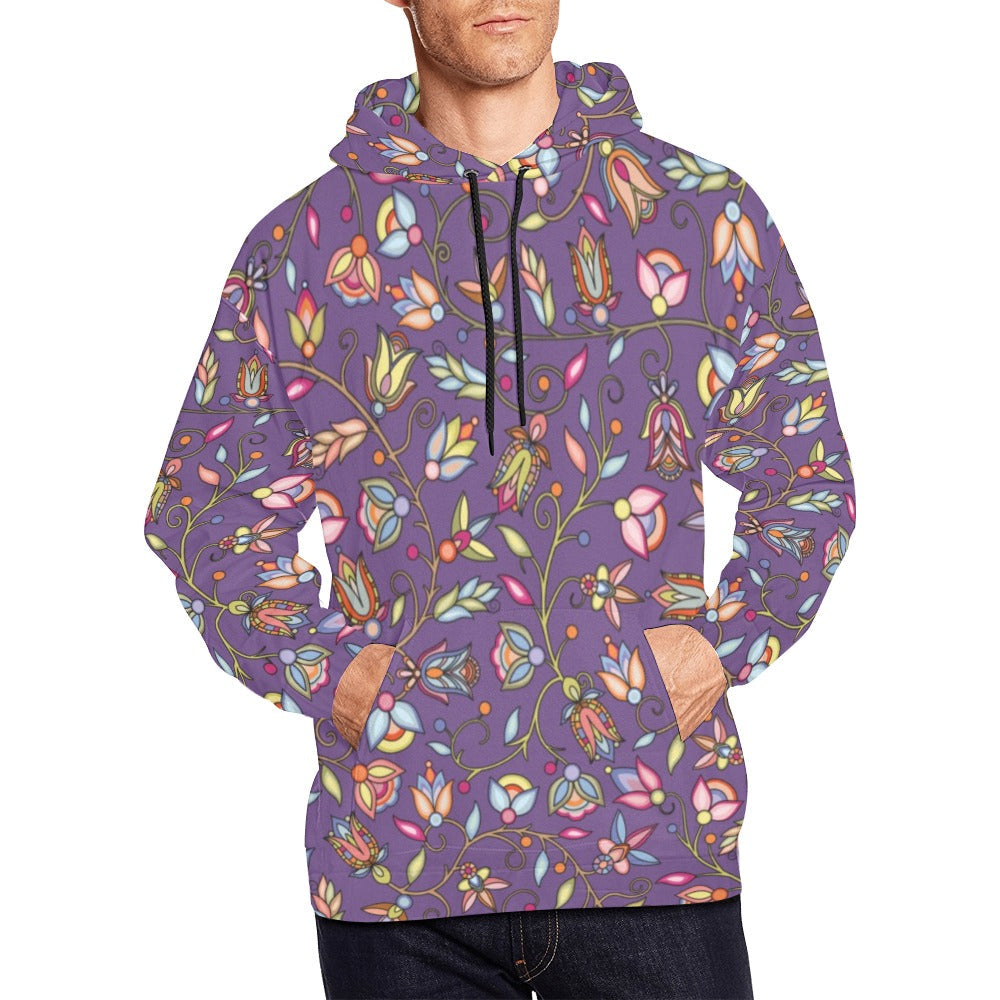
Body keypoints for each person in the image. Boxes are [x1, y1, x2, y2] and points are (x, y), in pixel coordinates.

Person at [142, 1, 858, 996]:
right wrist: (335, 676)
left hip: (651, 844)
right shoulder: (304, 245)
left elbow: (804, 474)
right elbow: (206, 511)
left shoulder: (697, 212)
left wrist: (720, 646)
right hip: (397, 864)